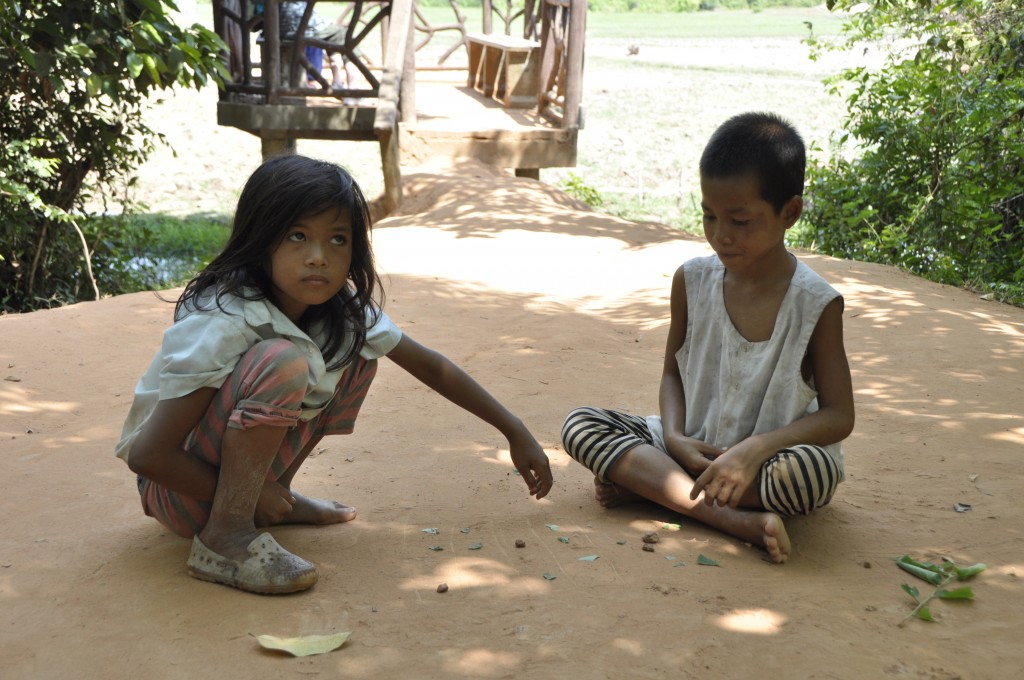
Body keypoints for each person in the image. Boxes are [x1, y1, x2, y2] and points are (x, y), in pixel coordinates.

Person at [115, 154, 553, 594]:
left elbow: (430, 365)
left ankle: (276, 497)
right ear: (261, 239)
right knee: (283, 360)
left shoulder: (340, 313)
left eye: (338, 239)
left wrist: (514, 430)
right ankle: (227, 534)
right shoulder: (225, 320)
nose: (319, 258)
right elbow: (150, 456)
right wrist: (250, 493)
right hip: (178, 492)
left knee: (356, 354)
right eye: (297, 236)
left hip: (242, 486)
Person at [560, 112, 854, 564]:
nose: (720, 235)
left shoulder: (815, 304)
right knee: (580, 425)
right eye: (709, 216)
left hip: (765, 463)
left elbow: (839, 416)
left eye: (740, 220)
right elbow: (671, 375)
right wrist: (675, 437)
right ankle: (735, 520)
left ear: (790, 212)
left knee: (808, 476)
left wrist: (755, 449)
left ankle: (655, 488)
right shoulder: (692, 280)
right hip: (690, 447)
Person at [278, 1, 360, 93]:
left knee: (335, 36)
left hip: (279, 24)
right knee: (344, 35)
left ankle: (338, 82)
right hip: (299, 23)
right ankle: (352, 87)